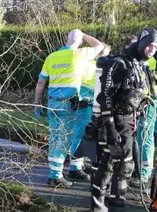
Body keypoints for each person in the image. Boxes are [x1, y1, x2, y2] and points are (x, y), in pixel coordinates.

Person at [90, 28, 157, 212]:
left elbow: (150, 89)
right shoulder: (119, 64)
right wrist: (110, 127)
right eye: (150, 45)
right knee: (123, 165)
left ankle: (99, 207)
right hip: (115, 121)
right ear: (143, 44)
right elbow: (104, 97)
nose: (152, 49)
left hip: (130, 120)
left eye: (156, 46)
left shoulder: (140, 65)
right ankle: (116, 211)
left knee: (109, 163)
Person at [35, 30, 105, 187]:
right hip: (69, 104)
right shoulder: (80, 55)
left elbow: (40, 84)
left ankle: (54, 173)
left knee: (55, 137)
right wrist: (83, 34)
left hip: (53, 104)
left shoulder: (51, 57)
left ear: (66, 39)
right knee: (64, 139)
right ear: (80, 42)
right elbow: (99, 45)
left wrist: (37, 104)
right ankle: (55, 176)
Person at [69, 45, 111, 181]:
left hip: (92, 104)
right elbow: (79, 83)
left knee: (86, 135)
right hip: (86, 104)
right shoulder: (89, 66)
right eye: (104, 54)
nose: (106, 57)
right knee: (80, 134)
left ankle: (79, 163)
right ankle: (74, 168)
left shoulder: (99, 67)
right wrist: (82, 99)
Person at [135, 32, 157, 183]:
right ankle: (139, 169)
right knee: (139, 137)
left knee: (145, 137)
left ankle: (144, 172)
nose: (151, 48)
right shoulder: (143, 56)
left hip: (149, 102)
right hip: (139, 102)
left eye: (154, 46)